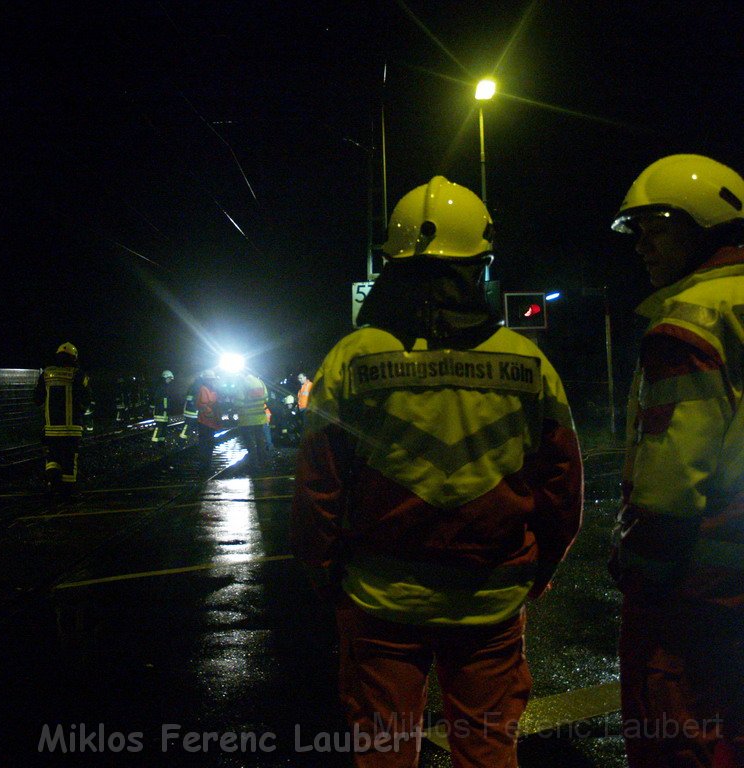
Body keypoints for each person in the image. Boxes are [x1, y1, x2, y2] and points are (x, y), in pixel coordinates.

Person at [291, 176, 584, 768]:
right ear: (480, 262)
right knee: (486, 750)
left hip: (379, 601)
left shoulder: (353, 357)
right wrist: (539, 567)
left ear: (392, 264)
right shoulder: (526, 362)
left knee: (383, 751)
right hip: (490, 601)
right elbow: (562, 484)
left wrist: (322, 573)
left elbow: (318, 486)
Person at [609, 154, 744, 767]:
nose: (643, 245)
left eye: (658, 226)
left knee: (681, 739)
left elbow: (670, 482)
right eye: (638, 231)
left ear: (708, 226)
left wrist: (636, 570)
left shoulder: (687, 324)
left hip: (702, 588)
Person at [34, 341, 92, 499]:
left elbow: (37, 399)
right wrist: (79, 411)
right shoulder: (79, 375)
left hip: (51, 428)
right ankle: (69, 492)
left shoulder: (46, 374)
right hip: (71, 428)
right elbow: (87, 399)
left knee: (52, 457)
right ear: (74, 358)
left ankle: (53, 484)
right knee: (69, 458)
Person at [234, 371, 269, 473]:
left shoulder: (242, 383)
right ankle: (263, 462)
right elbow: (266, 398)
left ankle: (254, 464)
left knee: (249, 442)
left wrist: (234, 404)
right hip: (259, 417)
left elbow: (239, 402)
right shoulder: (260, 382)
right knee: (260, 441)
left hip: (247, 419)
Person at [194, 370, 221, 473]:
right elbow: (202, 404)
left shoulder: (208, 389)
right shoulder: (205, 389)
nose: (212, 381)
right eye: (211, 380)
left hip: (208, 421)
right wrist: (211, 412)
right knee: (207, 443)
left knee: (207, 443)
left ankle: (205, 465)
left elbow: (202, 404)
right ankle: (205, 465)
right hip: (206, 421)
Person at [150, 369, 177, 444]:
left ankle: (161, 443)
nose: (170, 381)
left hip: (165, 411)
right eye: (169, 379)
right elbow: (156, 398)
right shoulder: (161, 386)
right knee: (159, 427)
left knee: (164, 427)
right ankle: (154, 442)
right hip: (160, 411)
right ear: (165, 377)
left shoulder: (166, 387)